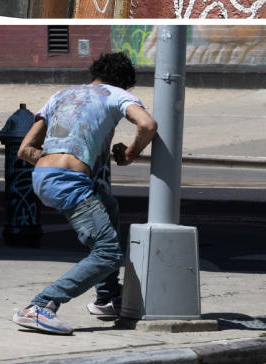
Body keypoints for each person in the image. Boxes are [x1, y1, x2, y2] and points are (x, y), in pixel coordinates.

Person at [12, 51, 157, 335]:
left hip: (43, 175)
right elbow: (147, 125)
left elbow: (25, 150)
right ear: (125, 83)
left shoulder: (61, 95)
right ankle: (40, 306)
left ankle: (107, 297)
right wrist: (129, 154)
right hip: (70, 182)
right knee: (108, 253)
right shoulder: (116, 95)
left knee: (108, 206)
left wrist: (59, 157)